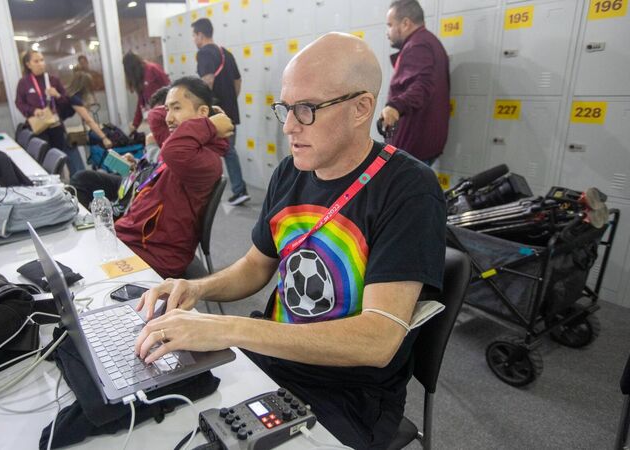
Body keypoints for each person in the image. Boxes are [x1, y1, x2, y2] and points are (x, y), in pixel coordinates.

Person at [133, 33, 446, 449]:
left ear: (361, 108)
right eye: (285, 107)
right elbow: (255, 265)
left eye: (306, 109)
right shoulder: (290, 171)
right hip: (272, 358)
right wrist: (196, 288)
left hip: (345, 393)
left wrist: (228, 327)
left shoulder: (408, 189)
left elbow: (378, 338)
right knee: (156, 416)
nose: (289, 126)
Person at [114, 76, 233, 278]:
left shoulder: (205, 158)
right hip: (135, 238)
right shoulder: (186, 144)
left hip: (153, 253)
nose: (168, 117)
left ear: (203, 113)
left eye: (176, 108)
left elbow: (171, 149)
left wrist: (208, 125)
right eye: (167, 109)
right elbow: (155, 117)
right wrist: (207, 120)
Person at [69, 86, 171, 208]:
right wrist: (136, 164)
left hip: (141, 190)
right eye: (153, 118)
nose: (155, 124)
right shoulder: (156, 137)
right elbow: (149, 166)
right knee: (81, 179)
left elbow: (162, 172)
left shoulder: (176, 143)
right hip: (132, 181)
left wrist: (151, 147)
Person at [381, 0, 450, 166]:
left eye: (390, 25)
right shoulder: (429, 41)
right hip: (423, 144)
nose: (387, 32)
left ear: (405, 23)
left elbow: (423, 85)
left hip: (413, 147)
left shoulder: (417, 45)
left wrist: (395, 106)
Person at [192, 18, 250, 206]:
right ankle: (238, 190)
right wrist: (229, 102)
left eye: (194, 35)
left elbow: (208, 81)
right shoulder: (226, 53)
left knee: (212, 151)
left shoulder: (203, 53)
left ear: (200, 34)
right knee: (228, 149)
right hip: (229, 111)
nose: (193, 39)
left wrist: (204, 109)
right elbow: (237, 82)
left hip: (214, 113)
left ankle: (211, 193)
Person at [15, 50, 86, 174]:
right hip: (39, 128)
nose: (40, 64)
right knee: (45, 160)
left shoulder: (53, 80)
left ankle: (70, 179)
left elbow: (66, 102)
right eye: (36, 61)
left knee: (61, 157)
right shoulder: (24, 83)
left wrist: (57, 95)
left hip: (56, 126)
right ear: (28, 64)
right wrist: (33, 110)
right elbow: (19, 103)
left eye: (42, 60)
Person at [61, 70, 113, 149]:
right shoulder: (74, 98)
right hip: (55, 128)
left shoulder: (68, 94)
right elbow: (88, 120)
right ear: (86, 86)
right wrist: (104, 138)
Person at [123, 52, 170, 135]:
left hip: (166, 112)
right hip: (155, 116)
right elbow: (141, 102)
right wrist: (135, 124)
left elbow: (169, 86)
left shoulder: (152, 69)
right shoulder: (139, 78)